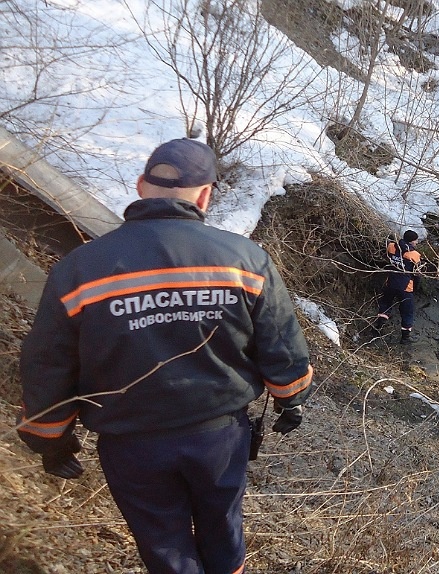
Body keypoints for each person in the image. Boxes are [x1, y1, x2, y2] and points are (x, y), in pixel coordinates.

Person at [17, 138, 313, 574]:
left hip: (132, 445)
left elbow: (47, 363)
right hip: (219, 438)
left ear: (140, 186)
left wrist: (48, 436)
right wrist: (291, 398)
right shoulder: (244, 261)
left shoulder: (79, 269)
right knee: (223, 531)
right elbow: (281, 344)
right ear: (206, 195)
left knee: (164, 545)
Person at [374, 230, 423, 343]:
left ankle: (378, 327)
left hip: (391, 282)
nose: (416, 243)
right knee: (407, 311)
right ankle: (405, 338)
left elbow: (387, 256)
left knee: (385, 303)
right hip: (406, 287)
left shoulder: (391, 247)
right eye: (416, 240)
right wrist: (415, 288)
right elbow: (417, 275)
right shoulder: (415, 255)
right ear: (411, 241)